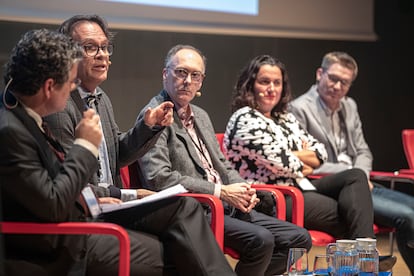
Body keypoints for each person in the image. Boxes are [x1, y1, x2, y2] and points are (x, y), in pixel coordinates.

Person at [16, 19, 235, 276]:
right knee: (182, 223)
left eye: (106, 47)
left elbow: (116, 156)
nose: (102, 56)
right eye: (90, 47)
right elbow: (69, 183)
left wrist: (147, 127)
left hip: (109, 203)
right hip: (94, 208)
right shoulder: (59, 107)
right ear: (67, 57)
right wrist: (125, 193)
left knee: (183, 222)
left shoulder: (102, 98)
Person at [136, 44, 312, 276]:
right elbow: (159, 179)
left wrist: (244, 189)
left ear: (201, 81)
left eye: (195, 75)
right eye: (181, 72)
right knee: (261, 240)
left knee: (299, 238)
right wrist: (220, 192)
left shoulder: (200, 115)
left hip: (228, 205)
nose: (188, 80)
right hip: (198, 210)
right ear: (165, 74)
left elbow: (224, 165)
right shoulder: (153, 116)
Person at [223, 54, 375, 241]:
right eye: (264, 82)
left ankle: (364, 257)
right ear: (251, 85)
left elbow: (321, 153)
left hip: (297, 185)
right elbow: (288, 166)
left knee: (356, 175)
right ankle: (365, 259)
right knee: (349, 215)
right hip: (271, 196)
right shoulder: (245, 118)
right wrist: (301, 158)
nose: (271, 89)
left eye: (277, 83)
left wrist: (290, 155)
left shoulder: (284, 118)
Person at [290, 51, 413, 273]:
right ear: (320, 74)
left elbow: (363, 149)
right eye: (333, 78)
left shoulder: (350, 106)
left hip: (360, 182)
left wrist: (361, 175)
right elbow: (306, 163)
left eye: (344, 82)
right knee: (407, 216)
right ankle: (368, 263)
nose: (337, 86)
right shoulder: (299, 109)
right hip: (331, 186)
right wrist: (352, 173)